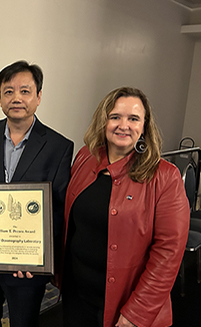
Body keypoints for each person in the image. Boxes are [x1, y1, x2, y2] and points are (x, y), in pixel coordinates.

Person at [59, 87, 190, 327]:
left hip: (123, 306)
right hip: (76, 294)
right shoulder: (85, 157)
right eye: (115, 117)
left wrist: (136, 314)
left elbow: (168, 254)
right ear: (104, 120)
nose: (123, 125)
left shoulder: (165, 177)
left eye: (133, 118)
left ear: (144, 126)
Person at [0, 60, 73, 327]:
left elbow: (58, 208)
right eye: (8, 91)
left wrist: (39, 258)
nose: (16, 98)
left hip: (28, 266)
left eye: (25, 91)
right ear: (0, 98)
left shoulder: (59, 146)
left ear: (38, 97)